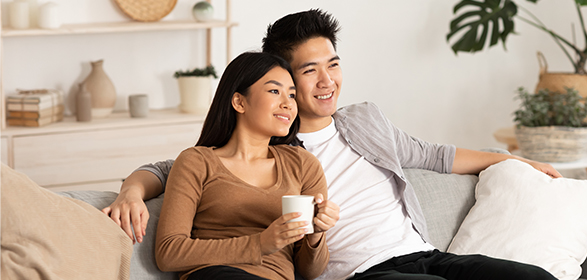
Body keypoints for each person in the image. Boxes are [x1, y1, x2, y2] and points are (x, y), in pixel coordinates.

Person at [103, 9, 561, 280]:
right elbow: (176, 167)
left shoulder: (365, 121)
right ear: (280, 78)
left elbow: (435, 155)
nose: (327, 81)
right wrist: (131, 189)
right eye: (307, 72)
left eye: (334, 64)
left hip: (426, 255)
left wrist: (513, 160)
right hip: (364, 274)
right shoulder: (278, 147)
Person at [152, 51, 338, 280]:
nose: (288, 104)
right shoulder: (197, 162)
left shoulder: (303, 165)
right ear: (239, 101)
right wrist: (260, 243)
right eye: (274, 91)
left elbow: (311, 271)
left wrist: (317, 235)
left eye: (291, 95)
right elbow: (168, 253)